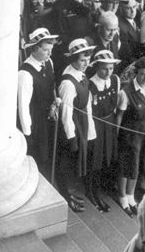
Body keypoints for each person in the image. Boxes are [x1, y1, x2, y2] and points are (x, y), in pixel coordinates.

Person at [55, 38, 96, 211]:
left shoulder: (82, 76)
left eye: (87, 59)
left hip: (83, 123)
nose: (85, 63)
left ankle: (71, 194)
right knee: (66, 162)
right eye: (81, 60)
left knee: (75, 163)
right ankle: (66, 196)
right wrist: (71, 138)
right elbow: (66, 115)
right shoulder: (67, 83)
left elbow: (87, 105)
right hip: (71, 127)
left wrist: (90, 131)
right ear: (73, 60)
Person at [116, 57, 145, 216]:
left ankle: (131, 195)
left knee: (139, 163)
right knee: (127, 163)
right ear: (136, 73)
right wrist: (118, 135)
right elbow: (119, 116)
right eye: (142, 74)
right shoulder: (126, 92)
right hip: (130, 132)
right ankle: (122, 197)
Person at [17, 28, 59, 169]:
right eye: (46, 50)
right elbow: (23, 107)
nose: (50, 53)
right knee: (39, 157)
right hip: (36, 120)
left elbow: (51, 86)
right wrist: (28, 134)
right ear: (34, 49)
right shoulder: (25, 73)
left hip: (49, 116)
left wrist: (55, 103)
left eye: (51, 49)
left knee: (52, 152)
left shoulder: (49, 62)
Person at [86, 50, 121, 211]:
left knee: (109, 156)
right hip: (96, 124)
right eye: (104, 69)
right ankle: (92, 192)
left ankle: (103, 188)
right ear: (96, 68)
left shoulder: (115, 80)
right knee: (95, 159)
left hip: (110, 122)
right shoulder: (90, 84)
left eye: (111, 68)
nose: (108, 73)